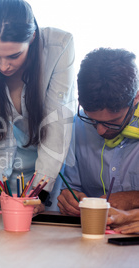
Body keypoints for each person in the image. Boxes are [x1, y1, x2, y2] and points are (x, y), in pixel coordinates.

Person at [0, 0, 75, 209]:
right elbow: (0, 142)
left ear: (32, 37)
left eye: (14, 56)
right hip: (15, 169)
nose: (4, 66)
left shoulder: (60, 46)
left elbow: (56, 131)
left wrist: (39, 193)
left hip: (56, 165)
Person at [57, 48, 139, 216]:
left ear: (136, 97)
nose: (100, 131)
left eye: (113, 122)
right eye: (92, 120)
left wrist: (133, 199)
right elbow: (70, 188)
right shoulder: (75, 127)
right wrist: (68, 198)